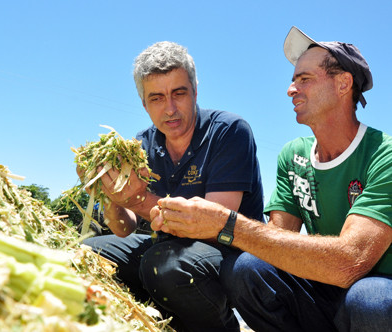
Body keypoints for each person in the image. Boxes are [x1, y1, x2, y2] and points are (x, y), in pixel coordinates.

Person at [150, 27, 392, 331]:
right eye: (293, 80)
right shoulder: (294, 155)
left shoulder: (384, 155)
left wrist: (227, 225)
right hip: (325, 293)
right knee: (248, 269)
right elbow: (274, 244)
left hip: (376, 290)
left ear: (343, 84)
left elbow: (350, 263)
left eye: (304, 79)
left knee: (370, 300)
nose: (291, 89)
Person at [81, 41, 264, 332]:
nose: (170, 109)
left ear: (194, 90)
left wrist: (136, 197)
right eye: (156, 98)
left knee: (165, 266)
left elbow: (215, 225)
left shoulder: (229, 131)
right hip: (166, 246)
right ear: (144, 104)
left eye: (179, 93)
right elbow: (124, 228)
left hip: (230, 252)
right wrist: (111, 196)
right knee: (87, 254)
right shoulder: (141, 146)